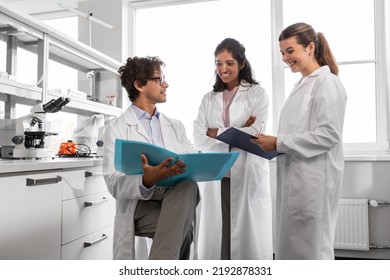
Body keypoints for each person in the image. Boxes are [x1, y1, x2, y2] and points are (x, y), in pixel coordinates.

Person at [251, 22, 347, 260]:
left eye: (290, 51)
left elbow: (329, 135)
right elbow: (298, 131)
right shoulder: (303, 85)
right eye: (282, 53)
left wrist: (279, 142)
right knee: (294, 247)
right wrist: (272, 141)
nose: (285, 58)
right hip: (295, 177)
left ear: (310, 47)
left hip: (313, 181)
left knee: (313, 249)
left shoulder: (327, 82)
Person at [103, 56, 199, 260]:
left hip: (173, 197)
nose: (166, 84)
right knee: (184, 230)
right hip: (138, 206)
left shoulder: (175, 126)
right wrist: (147, 180)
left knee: (190, 187)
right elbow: (113, 183)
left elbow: (190, 160)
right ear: (139, 85)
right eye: (159, 79)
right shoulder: (116, 128)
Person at [193, 38, 273, 260]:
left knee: (245, 236)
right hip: (216, 173)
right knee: (218, 234)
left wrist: (214, 131)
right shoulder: (208, 99)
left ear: (241, 63)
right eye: (218, 63)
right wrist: (236, 131)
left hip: (245, 170)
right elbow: (198, 138)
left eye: (229, 63)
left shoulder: (257, 93)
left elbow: (254, 133)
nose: (223, 69)